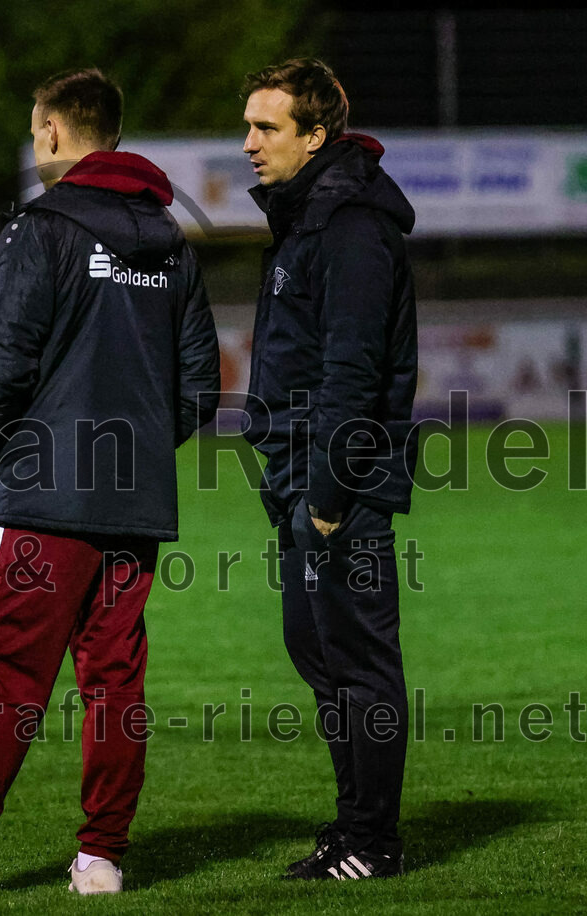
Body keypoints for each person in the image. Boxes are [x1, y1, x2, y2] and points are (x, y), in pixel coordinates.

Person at [0, 68, 221, 903]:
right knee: (115, 683)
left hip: (41, 502)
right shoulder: (170, 240)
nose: (35, 142)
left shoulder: (40, 225)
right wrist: (129, 452)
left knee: (1, 681)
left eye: (35, 129)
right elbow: (200, 386)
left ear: (55, 132)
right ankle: (101, 861)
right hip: (133, 506)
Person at [239, 59, 418, 879]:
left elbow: (353, 369)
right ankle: (352, 828)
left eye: (266, 128)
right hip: (299, 476)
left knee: (358, 661)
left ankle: (374, 841)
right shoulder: (309, 216)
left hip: (336, 481)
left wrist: (325, 491)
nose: (249, 143)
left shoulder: (350, 223)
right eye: (248, 125)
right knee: (319, 654)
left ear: (315, 136)